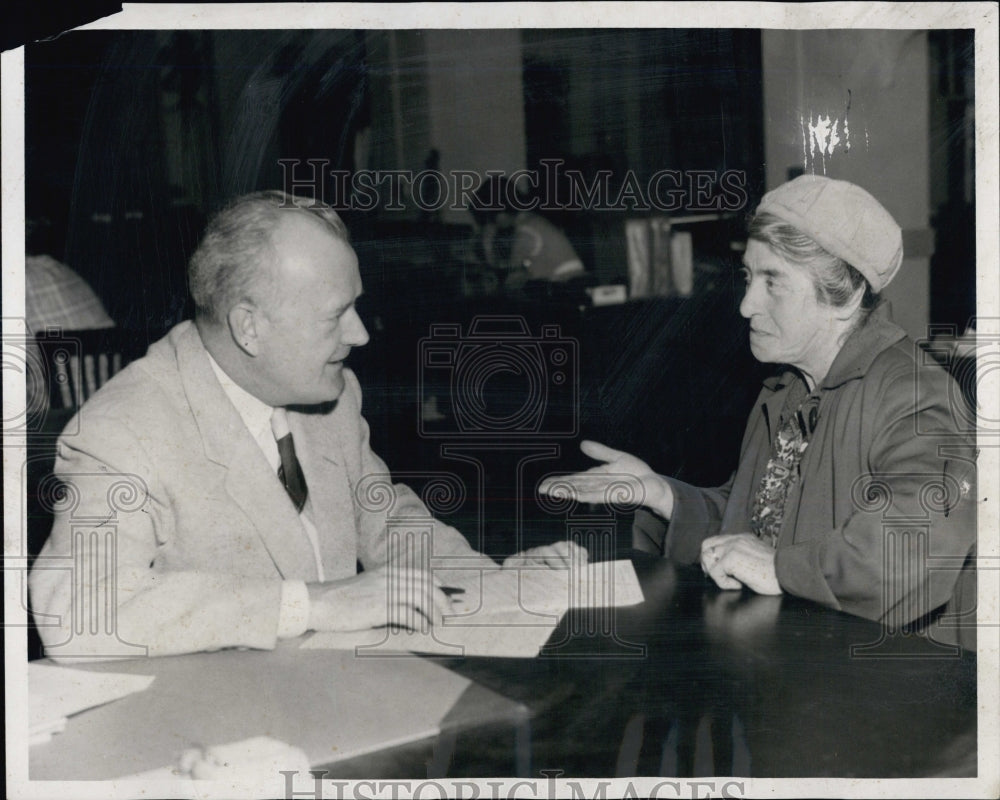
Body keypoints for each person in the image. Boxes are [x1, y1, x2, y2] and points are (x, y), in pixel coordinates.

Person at [29, 191, 584, 661]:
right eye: (334, 315)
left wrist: (496, 581)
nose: (361, 334)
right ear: (249, 327)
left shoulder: (329, 393)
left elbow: (385, 520)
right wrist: (313, 603)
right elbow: (75, 611)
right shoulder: (123, 429)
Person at [542, 176, 977, 645]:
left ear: (845, 297)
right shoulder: (787, 389)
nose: (747, 304)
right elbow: (756, 528)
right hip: (805, 655)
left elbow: (919, 536)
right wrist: (661, 495)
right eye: (749, 277)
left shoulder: (911, 392)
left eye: (774, 282)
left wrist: (782, 569)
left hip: (897, 678)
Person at [470, 176, 586, 289]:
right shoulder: (532, 222)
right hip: (566, 285)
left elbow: (511, 278)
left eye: (491, 218)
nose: (492, 224)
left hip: (566, 288)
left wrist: (487, 242)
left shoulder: (527, 231)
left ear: (501, 212)